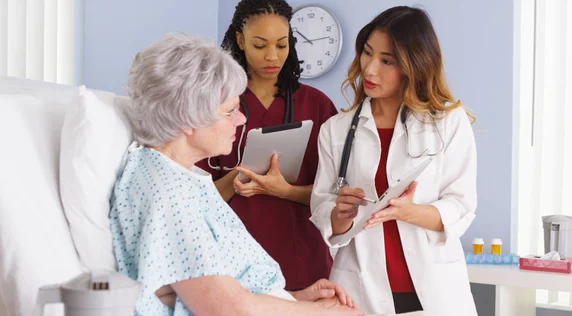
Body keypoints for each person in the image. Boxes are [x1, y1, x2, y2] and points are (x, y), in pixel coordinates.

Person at [109, 32, 363, 316]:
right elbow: (229, 309)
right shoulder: (168, 194)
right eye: (230, 111)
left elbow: (215, 292)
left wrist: (294, 299)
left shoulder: (181, 178)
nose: (241, 120)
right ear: (188, 117)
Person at [310, 6, 478, 316]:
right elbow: (321, 206)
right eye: (367, 53)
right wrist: (340, 214)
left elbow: (461, 205)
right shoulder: (337, 129)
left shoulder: (447, 122)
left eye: (387, 61)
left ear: (414, 65)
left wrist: (411, 212)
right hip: (359, 290)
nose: (370, 70)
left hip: (435, 291)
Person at [195, 0, 337, 291]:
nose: (272, 56)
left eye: (282, 45)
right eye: (260, 46)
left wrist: (284, 190)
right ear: (240, 40)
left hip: (302, 260)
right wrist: (236, 177)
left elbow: (335, 192)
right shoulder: (215, 105)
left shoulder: (317, 105)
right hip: (233, 263)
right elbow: (193, 201)